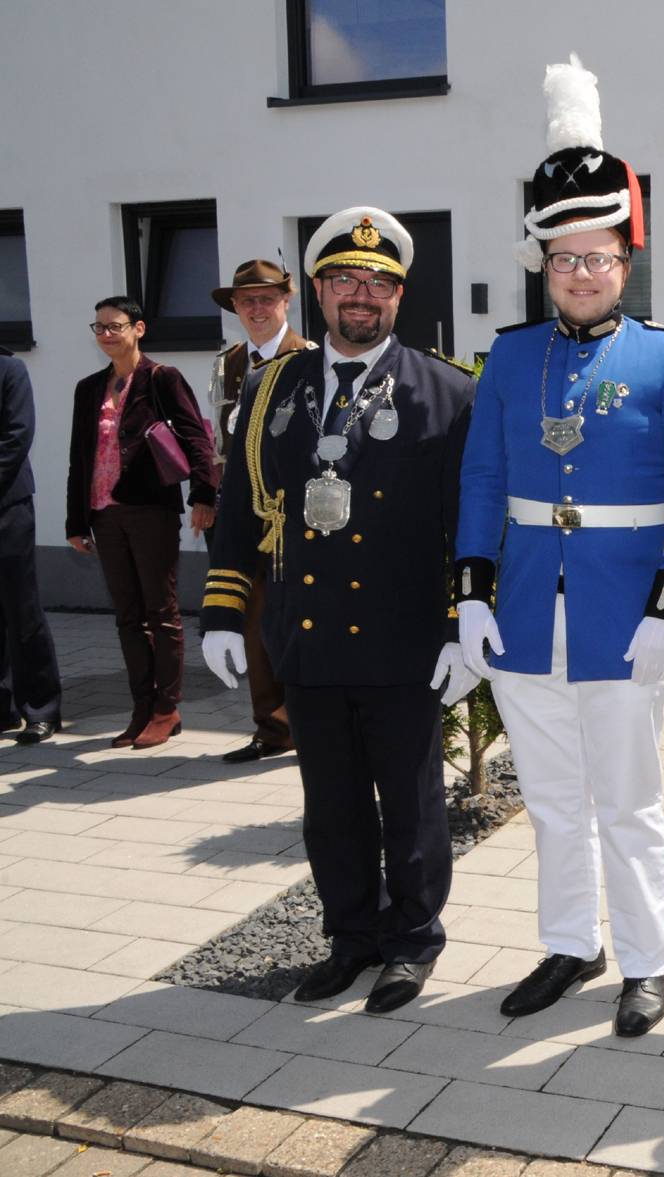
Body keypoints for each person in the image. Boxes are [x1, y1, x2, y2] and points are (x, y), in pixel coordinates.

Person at [455, 54, 664, 1033]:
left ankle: (647, 959)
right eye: (563, 259)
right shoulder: (512, 357)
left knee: (628, 802)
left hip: (623, 615)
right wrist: (470, 593)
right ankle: (570, 943)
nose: (580, 274)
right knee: (553, 799)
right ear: (544, 265)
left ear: (624, 261)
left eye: (597, 257)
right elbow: (483, 479)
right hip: (526, 608)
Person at [201, 207, 478, 1014]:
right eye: (345, 280)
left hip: (404, 640)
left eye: (378, 283)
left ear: (399, 295)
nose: (362, 295)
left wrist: (462, 628)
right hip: (309, 635)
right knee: (331, 805)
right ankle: (351, 935)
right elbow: (241, 504)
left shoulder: (449, 392)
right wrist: (222, 610)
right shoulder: (272, 388)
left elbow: (470, 524)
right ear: (319, 290)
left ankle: (413, 939)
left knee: (412, 805)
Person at [66, 297, 216, 748]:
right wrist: (76, 521)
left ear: (139, 328)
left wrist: (204, 495)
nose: (106, 334)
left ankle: (167, 708)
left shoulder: (161, 378)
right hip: (103, 511)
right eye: (99, 327)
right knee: (127, 616)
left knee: (161, 611)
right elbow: (80, 457)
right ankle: (141, 708)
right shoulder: (88, 388)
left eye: (115, 326)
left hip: (151, 508)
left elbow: (195, 438)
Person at [206, 259, 314, 763]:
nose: (256, 309)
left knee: (295, 623)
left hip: (289, 517)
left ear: (286, 301)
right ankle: (271, 728)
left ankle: (305, 721)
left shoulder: (308, 360)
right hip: (241, 510)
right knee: (251, 621)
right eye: (246, 301)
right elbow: (222, 440)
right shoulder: (229, 363)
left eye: (267, 299)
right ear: (234, 307)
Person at [0, 348, 60, 743]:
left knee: (21, 608)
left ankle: (41, 709)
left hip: (7, 504)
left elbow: (17, 435)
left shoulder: (10, 368)